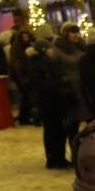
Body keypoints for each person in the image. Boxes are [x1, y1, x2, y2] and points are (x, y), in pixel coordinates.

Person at [31, 39, 76, 169]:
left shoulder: (51, 62)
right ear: (44, 50)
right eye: (50, 48)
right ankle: (53, 158)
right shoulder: (38, 65)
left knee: (60, 131)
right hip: (48, 103)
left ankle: (60, 157)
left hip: (56, 102)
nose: (53, 51)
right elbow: (39, 85)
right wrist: (58, 84)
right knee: (52, 131)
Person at [9, 26, 36, 125]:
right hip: (20, 75)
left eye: (27, 36)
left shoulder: (31, 45)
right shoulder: (17, 48)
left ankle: (25, 117)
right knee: (26, 96)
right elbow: (16, 64)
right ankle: (24, 118)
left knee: (27, 96)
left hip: (28, 74)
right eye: (24, 37)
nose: (26, 38)